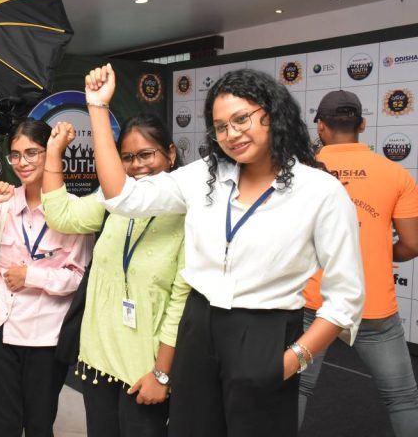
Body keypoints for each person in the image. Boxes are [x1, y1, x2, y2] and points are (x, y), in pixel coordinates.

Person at [85, 64, 364, 437]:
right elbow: (122, 196)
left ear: (273, 113)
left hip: (265, 330)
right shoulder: (206, 175)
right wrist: (98, 109)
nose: (231, 134)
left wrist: (293, 360)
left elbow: (345, 296)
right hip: (198, 327)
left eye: (241, 119)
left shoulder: (320, 191)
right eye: (220, 127)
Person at [41, 115, 188, 437]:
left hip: (145, 369)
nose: (137, 166)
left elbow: (180, 303)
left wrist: (162, 374)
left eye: (146, 154)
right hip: (97, 359)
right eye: (127, 157)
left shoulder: (188, 214)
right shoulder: (113, 200)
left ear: (171, 153)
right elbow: (60, 216)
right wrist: (54, 153)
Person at [0, 118, 93, 437]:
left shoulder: (73, 210)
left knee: (39, 424)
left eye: (32, 152)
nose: (22, 162)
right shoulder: (1, 203)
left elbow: (77, 279)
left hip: (46, 335)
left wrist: (32, 276)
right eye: (15, 155)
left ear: (50, 153)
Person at [298, 89, 418, 436]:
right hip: (373, 304)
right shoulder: (395, 174)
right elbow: (412, 244)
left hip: (314, 303)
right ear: (362, 125)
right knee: (403, 398)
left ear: (320, 127)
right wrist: (377, 250)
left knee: (297, 388)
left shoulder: (299, 174)